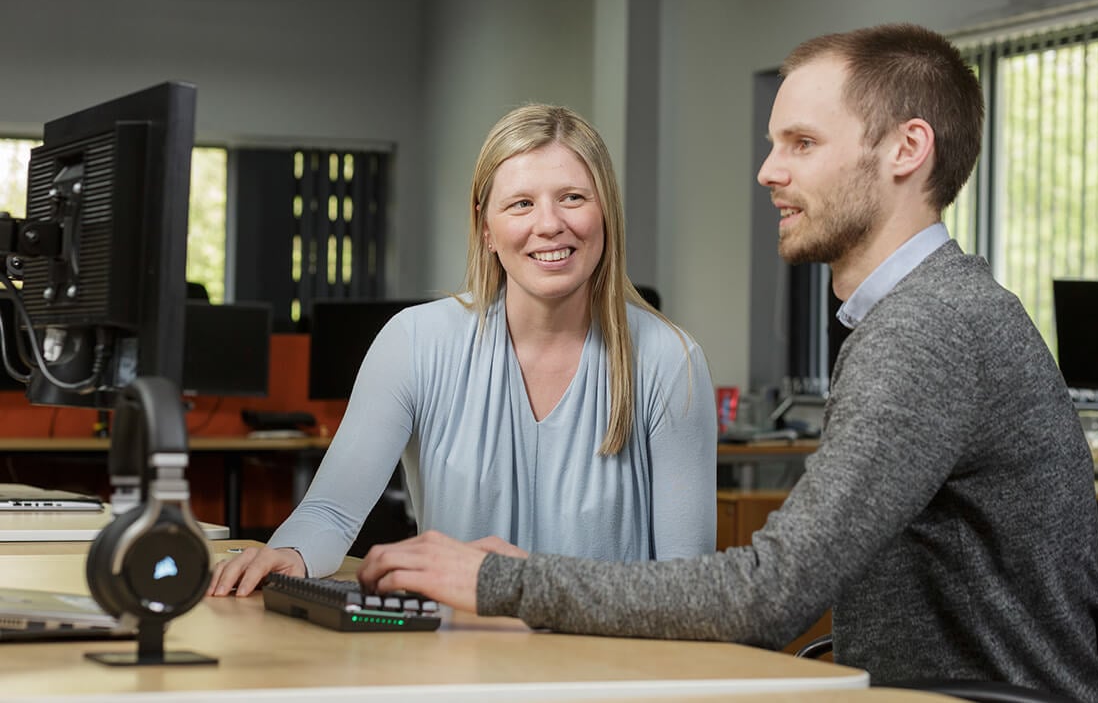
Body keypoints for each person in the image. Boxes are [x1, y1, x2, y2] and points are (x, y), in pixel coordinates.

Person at [356, 24, 1098, 702]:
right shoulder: (929, 313)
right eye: (773, 142)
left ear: (907, 150)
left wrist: (496, 581)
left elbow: (767, 596)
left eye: (802, 143)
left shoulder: (928, 330)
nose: (768, 171)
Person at [209, 103, 718, 597]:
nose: (549, 224)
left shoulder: (668, 360)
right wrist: (290, 553)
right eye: (521, 203)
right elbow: (332, 513)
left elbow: (686, 586)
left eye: (573, 198)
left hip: (607, 671)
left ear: (606, 212)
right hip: (458, 663)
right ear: (486, 228)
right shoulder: (414, 342)